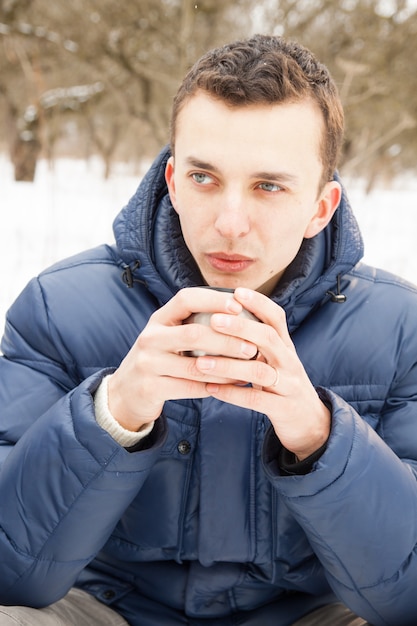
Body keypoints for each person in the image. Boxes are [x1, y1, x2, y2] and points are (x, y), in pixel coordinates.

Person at [0, 33, 416, 626]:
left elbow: (406, 598)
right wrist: (112, 413)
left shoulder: (401, 330)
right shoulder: (56, 308)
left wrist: (319, 437)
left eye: (268, 186)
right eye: (204, 178)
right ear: (172, 180)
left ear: (321, 208)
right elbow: (12, 573)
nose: (229, 223)